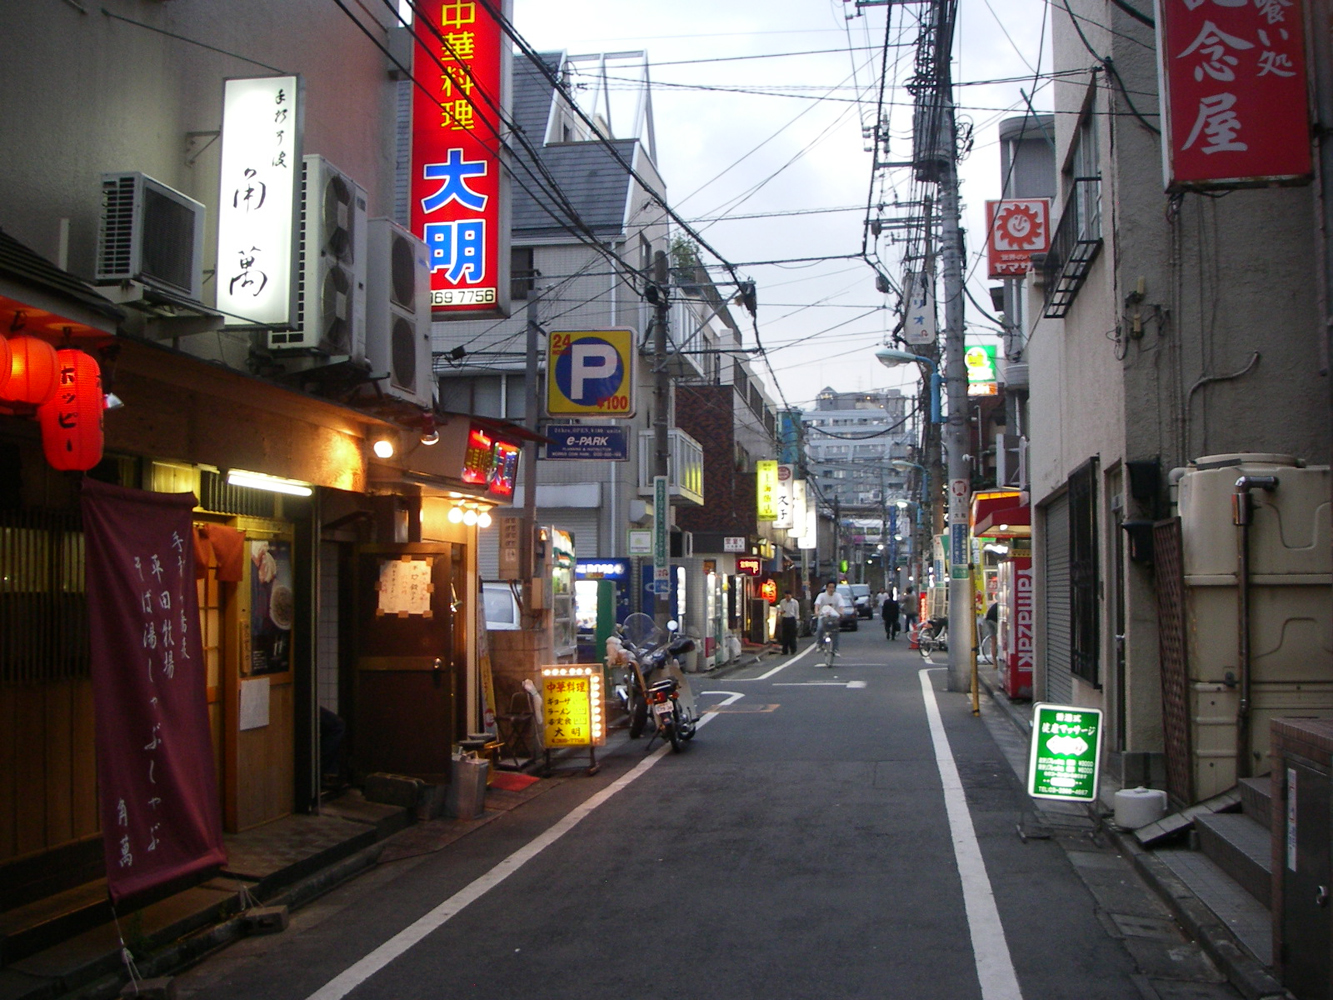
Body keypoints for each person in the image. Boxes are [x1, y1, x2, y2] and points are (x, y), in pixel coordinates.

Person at [813, 580, 846, 659]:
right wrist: (816, 612)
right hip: (823, 616)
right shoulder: (821, 595)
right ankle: (819, 644)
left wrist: (841, 613)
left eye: (833, 587)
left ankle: (835, 650)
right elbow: (817, 604)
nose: (831, 589)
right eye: (829, 587)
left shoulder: (838, 596)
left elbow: (841, 605)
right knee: (820, 628)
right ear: (826, 588)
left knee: (836, 631)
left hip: (833, 617)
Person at [777, 590, 800, 655]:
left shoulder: (795, 602)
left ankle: (793, 650)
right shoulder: (782, 602)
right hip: (785, 619)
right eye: (786, 595)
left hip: (792, 619)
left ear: (791, 595)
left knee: (792, 635)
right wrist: (781, 614)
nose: (787, 597)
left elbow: (796, 612)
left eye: (789, 595)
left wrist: (797, 620)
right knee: (785, 636)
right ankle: (785, 650)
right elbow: (780, 611)